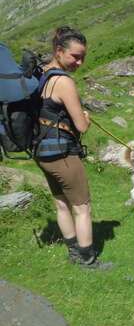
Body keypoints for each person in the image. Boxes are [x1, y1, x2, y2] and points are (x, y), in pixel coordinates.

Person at [34, 26, 110, 269]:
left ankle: (73, 251)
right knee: (82, 207)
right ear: (59, 51)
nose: (80, 62)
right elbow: (81, 126)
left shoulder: (41, 74)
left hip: (41, 153)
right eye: (75, 56)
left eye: (83, 57)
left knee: (61, 203)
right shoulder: (64, 82)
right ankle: (87, 259)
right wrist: (85, 117)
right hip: (63, 154)